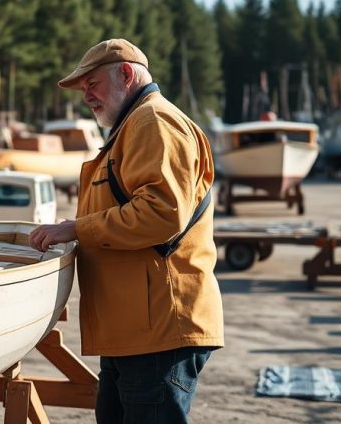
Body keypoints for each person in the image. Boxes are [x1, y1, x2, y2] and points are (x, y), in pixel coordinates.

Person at [28, 39, 224, 423]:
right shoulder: (133, 126)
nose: (87, 95)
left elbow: (161, 214)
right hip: (134, 329)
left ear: (127, 75)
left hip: (156, 332)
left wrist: (75, 228)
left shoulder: (154, 122)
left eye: (92, 84)